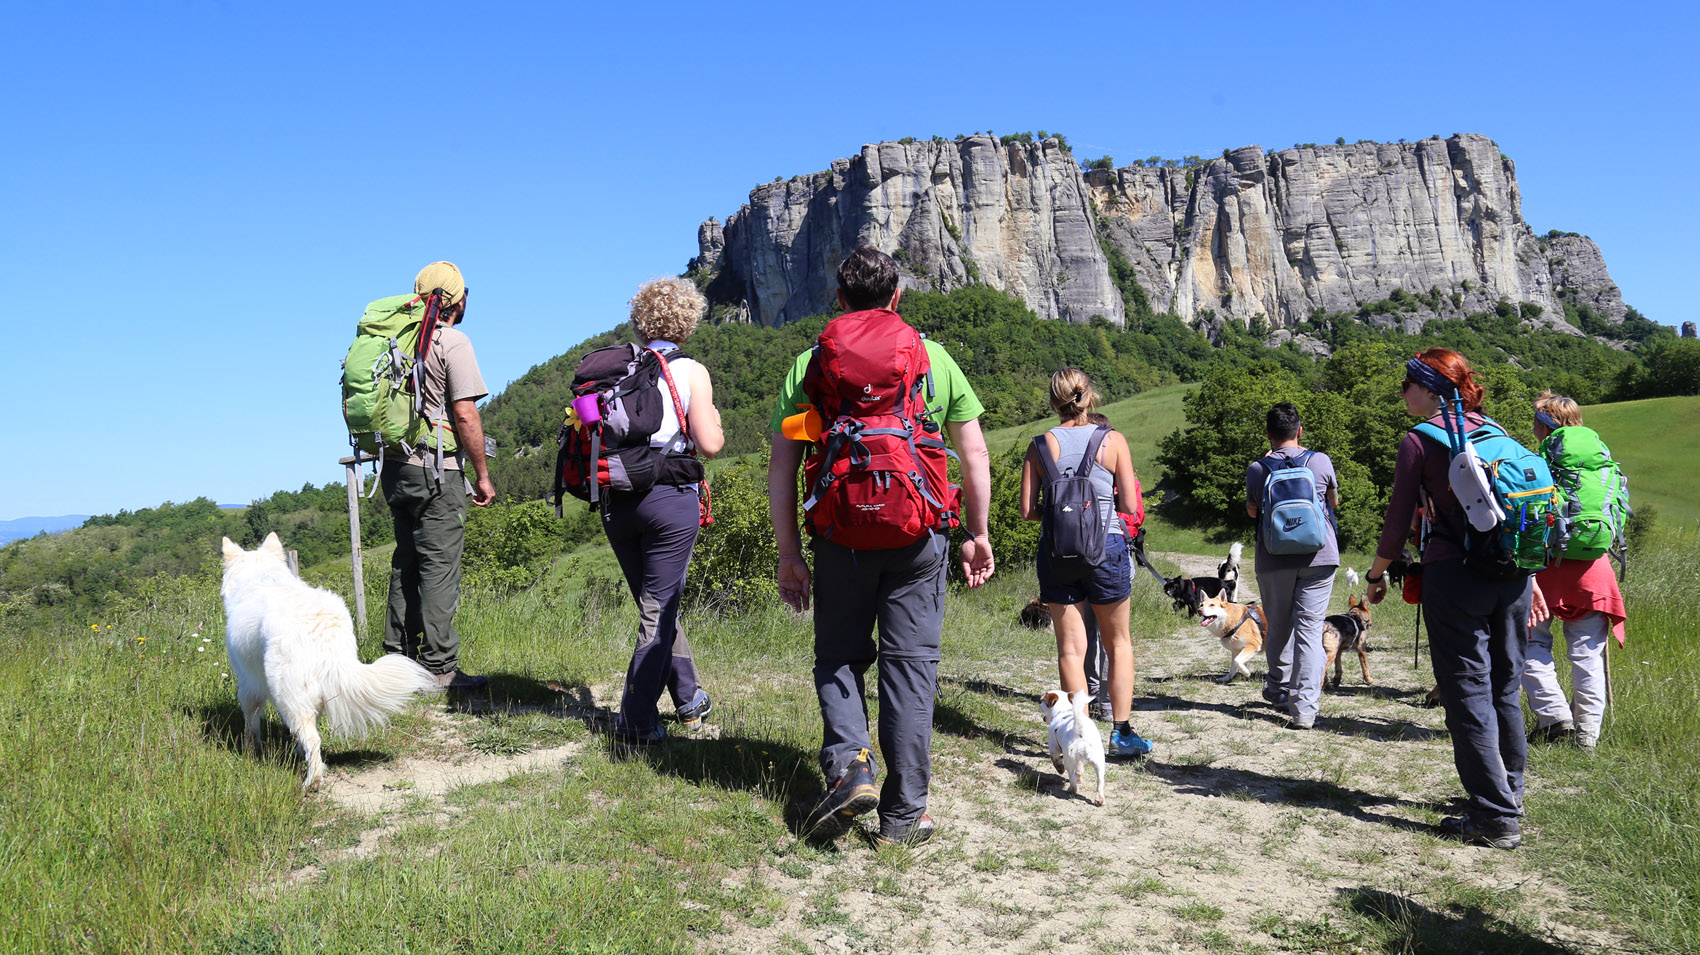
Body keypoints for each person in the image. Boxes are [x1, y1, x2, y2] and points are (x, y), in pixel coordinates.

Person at [768, 246, 995, 847]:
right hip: (919, 535)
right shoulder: (934, 358)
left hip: (839, 534)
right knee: (910, 670)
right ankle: (903, 818)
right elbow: (974, 454)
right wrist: (978, 533)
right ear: (897, 297)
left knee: (839, 655)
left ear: (838, 301)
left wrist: (791, 555)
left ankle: (850, 767)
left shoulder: (812, 363)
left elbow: (783, 466)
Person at [1365, 348, 1549, 850]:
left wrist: (1376, 575)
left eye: (1407, 384)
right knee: (1503, 686)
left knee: (1466, 692)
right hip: (1513, 577)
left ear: (1429, 390)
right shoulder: (1498, 434)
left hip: (1456, 576)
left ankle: (1494, 818)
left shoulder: (1420, 441)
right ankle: (1509, 793)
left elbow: (1397, 521)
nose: (1402, 393)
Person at [607, 278, 727, 746]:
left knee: (657, 605)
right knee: (659, 611)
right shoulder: (691, 370)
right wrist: (712, 419)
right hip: (668, 499)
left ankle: (689, 697)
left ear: (641, 318)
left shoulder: (618, 369)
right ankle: (634, 723)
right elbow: (711, 444)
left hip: (616, 499)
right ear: (688, 320)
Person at [1019, 369, 1153, 757]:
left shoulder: (1038, 445)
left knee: (1071, 651)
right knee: (1118, 643)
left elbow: (1028, 511)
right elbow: (1129, 505)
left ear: (1053, 402)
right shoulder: (1112, 440)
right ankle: (1122, 735)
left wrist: (1064, 517)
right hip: (1107, 547)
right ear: (1089, 398)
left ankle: (1078, 733)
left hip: (1057, 553)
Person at [381, 261, 496, 690]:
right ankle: (439, 668)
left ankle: (397, 658)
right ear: (456, 299)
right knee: (439, 567)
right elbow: (464, 415)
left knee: (405, 562)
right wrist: (482, 474)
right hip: (436, 471)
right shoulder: (451, 341)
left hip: (395, 467)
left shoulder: (398, 338)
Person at [1522, 391, 1626, 749]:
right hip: (1595, 571)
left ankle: (1554, 717)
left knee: (1529, 643)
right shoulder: (1605, 464)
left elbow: (1528, 518)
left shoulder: (1540, 463)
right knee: (1587, 657)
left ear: (1544, 425)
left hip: (1546, 569)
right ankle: (1587, 740)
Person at [1244, 402, 1340, 730]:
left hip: (1273, 558)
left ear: (1268, 434)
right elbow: (1332, 502)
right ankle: (1305, 711)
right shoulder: (1320, 461)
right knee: (1310, 632)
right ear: (1300, 431)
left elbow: (1254, 513)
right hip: (1320, 556)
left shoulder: (1257, 469)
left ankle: (1278, 688)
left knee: (1279, 626)